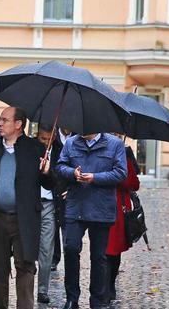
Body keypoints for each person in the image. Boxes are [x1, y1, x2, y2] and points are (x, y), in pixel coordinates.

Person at [0, 107, 53, 309]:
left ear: (18, 124)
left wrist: (47, 173)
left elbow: (51, 184)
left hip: (25, 218)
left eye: (4, 120)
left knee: (25, 268)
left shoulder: (34, 149)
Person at [55, 132, 127, 309]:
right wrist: (73, 173)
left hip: (101, 207)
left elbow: (120, 173)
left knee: (99, 256)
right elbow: (60, 166)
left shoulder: (115, 144)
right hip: (75, 205)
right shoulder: (71, 143)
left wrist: (95, 177)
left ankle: (97, 299)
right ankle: (72, 298)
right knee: (71, 249)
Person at [104, 143, 140, 303]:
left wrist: (121, 171)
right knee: (102, 250)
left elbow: (134, 184)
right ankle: (102, 288)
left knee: (114, 250)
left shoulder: (124, 155)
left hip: (119, 209)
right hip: (100, 206)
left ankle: (110, 284)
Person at [34, 124, 65, 304]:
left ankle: (42, 289)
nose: (45, 143)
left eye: (48, 139)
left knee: (46, 248)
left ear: (53, 137)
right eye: (42, 139)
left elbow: (61, 176)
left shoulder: (61, 151)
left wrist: (49, 172)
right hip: (31, 203)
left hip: (50, 204)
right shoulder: (31, 149)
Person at [50, 128, 73, 271]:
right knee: (52, 226)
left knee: (68, 227)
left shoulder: (77, 138)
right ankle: (54, 258)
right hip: (53, 186)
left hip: (70, 188)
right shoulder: (52, 136)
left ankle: (70, 258)